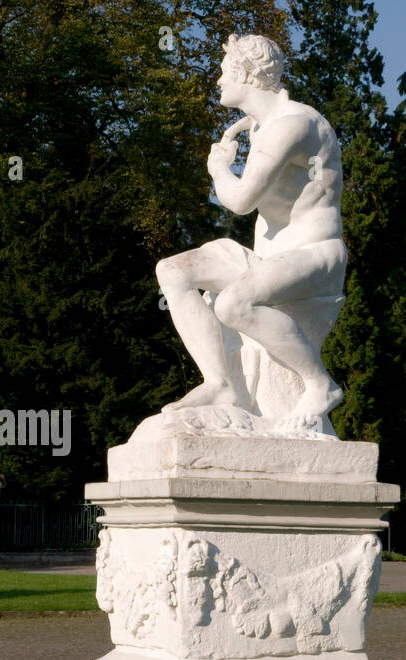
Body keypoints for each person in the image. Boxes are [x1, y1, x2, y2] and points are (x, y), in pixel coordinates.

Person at [155, 34, 346, 430]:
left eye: (225, 72)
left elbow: (240, 200)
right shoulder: (264, 126)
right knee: (173, 271)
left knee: (232, 304)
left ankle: (320, 383)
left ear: (248, 74)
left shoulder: (293, 125)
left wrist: (219, 168)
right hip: (268, 262)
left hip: (315, 257)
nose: (218, 81)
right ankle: (221, 384)